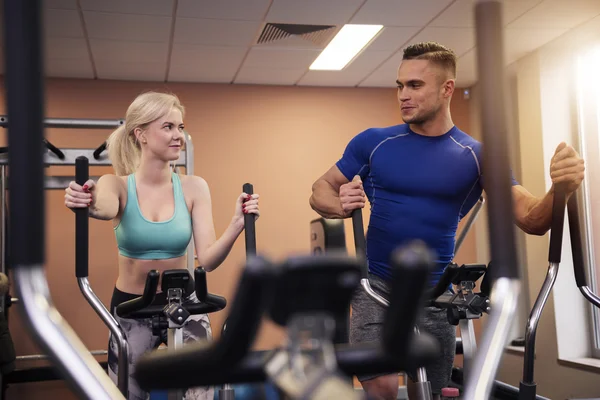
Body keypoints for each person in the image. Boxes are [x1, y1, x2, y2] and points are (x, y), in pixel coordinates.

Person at [308, 41, 585, 400]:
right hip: (375, 289)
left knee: (433, 392)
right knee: (384, 388)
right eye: (400, 85)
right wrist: (339, 204)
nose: (403, 95)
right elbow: (320, 189)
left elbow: (532, 218)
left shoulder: (476, 156)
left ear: (447, 88)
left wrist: (559, 189)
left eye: (415, 85)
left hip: (435, 295)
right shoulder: (374, 143)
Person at [64, 91, 260, 400]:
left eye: (180, 127)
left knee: (202, 393)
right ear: (140, 134)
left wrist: (236, 224)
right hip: (132, 307)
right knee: (126, 394)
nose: (178, 136)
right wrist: (85, 201)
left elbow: (206, 259)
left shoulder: (194, 187)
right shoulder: (115, 184)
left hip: (186, 302)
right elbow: (102, 207)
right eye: (168, 127)